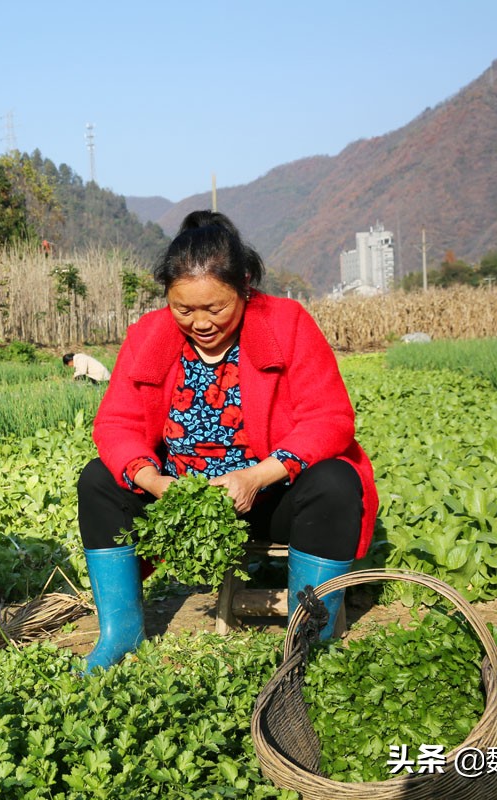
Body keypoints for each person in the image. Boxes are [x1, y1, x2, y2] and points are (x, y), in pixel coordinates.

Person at [76, 210, 378, 670]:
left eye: (215, 308)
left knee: (335, 480)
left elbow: (330, 418)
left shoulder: (286, 322)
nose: (200, 322)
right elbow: (115, 425)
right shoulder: (149, 335)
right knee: (99, 479)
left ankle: (310, 644)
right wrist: (155, 483)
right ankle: (121, 635)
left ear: (246, 286)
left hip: (268, 499)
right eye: (184, 309)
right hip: (180, 504)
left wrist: (259, 475)